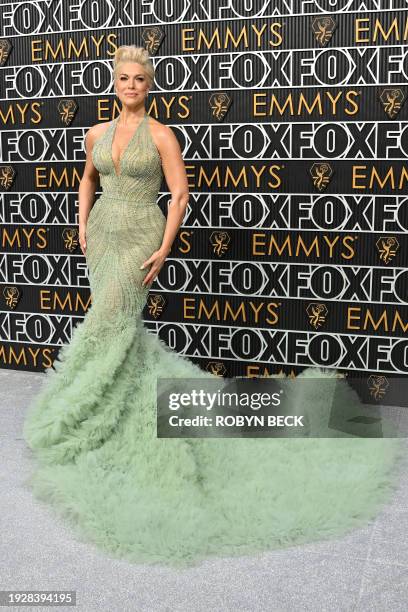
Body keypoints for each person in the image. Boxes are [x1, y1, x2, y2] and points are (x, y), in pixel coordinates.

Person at [22, 45, 405, 569]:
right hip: (104, 236)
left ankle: (85, 410)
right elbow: (87, 179)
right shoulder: (94, 135)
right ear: (114, 83)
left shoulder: (162, 135)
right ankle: (111, 409)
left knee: (111, 321)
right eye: (123, 79)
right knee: (114, 327)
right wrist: (82, 223)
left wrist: (164, 246)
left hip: (140, 234)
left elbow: (179, 194)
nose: (131, 86)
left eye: (139, 79)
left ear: (149, 85)